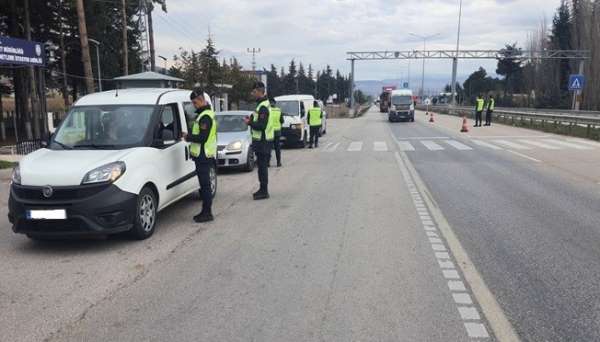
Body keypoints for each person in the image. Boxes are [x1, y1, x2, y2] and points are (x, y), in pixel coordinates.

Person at [186, 88, 217, 222]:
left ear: (201, 100)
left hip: (204, 156)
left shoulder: (205, 117)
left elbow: (203, 137)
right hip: (204, 155)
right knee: (204, 186)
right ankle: (205, 211)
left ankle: (207, 213)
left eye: (195, 102)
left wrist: (188, 137)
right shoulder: (205, 114)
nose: (194, 105)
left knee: (205, 186)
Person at [244, 81, 273, 200]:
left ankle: (264, 191)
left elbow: (262, 126)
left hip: (263, 142)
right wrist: (251, 120)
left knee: (262, 167)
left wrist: (250, 123)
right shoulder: (261, 105)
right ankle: (262, 189)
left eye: (254, 91)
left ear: (260, 91)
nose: (252, 93)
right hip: (261, 141)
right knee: (261, 167)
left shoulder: (263, 107)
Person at [269, 98, 284, 167]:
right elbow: (282, 121)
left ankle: (267, 163)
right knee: (277, 148)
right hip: (277, 132)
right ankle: (278, 162)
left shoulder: (268, 110)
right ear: (275, 103)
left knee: (268, 148)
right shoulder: (279, 110)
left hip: (269, 132)